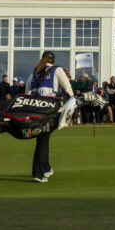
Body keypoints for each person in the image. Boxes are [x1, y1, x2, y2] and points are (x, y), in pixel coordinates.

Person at [26, 50, 75, 183]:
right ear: (53, 61)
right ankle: (38, 172)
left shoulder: (33, 74)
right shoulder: (57, 70)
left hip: (34, 112)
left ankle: (46, 168)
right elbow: (69, 90)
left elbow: (26, 95)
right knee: (43, 139)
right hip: (49, 111)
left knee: (43, 138)